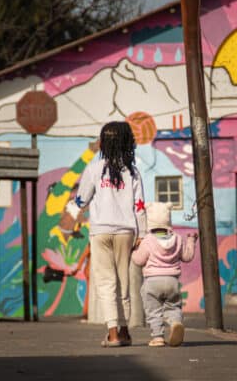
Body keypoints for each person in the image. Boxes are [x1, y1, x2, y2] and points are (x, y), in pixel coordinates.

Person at [70, 121, 147, 347]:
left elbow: (82, 200)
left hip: (101, 232)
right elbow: (139, 206)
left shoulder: (94, 168)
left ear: (103, 143)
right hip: (126, 232)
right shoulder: (132, 171)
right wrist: (141, 233)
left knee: (105, 283)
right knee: (124, 282)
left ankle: (112, 334)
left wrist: (77, 203)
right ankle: (124, 332)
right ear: (127, 142)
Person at [131, 202, 197, 347]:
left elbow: (139, 260)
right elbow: (187, 257)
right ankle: (175, 323)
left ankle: (158, 337)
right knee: (173, 306)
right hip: (172, 281)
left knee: (153, 309)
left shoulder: (148, 240)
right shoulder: (178, 239)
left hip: (152, 282)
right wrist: (191, 241)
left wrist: (133, 250)